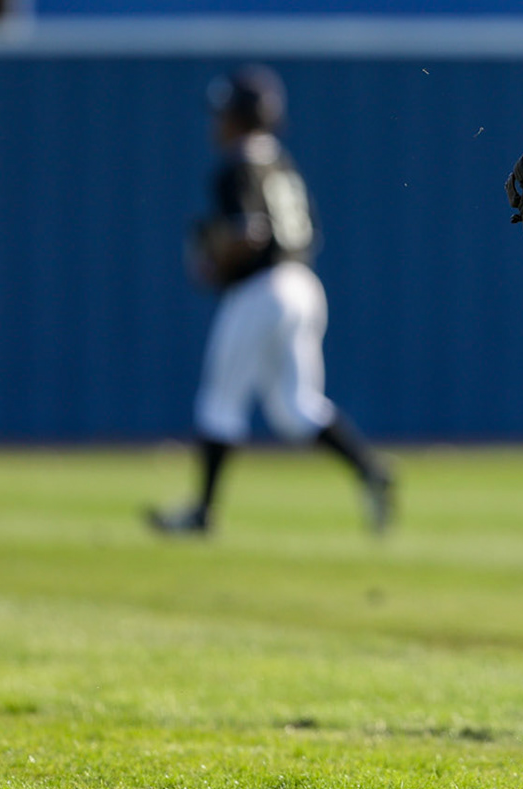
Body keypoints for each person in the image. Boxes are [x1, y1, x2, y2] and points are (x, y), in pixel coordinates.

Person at [146, 65, 395, 537]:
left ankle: (201, 513)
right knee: (295, 407)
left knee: (220, 402)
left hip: (261, 289)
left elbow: (250, 232)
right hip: (302, 283)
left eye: (223, 114)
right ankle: (370, 470)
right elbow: (307, 231)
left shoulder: (239, 163)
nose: (216, 124)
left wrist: (214, 257)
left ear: (241, 116)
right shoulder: (281, 162)